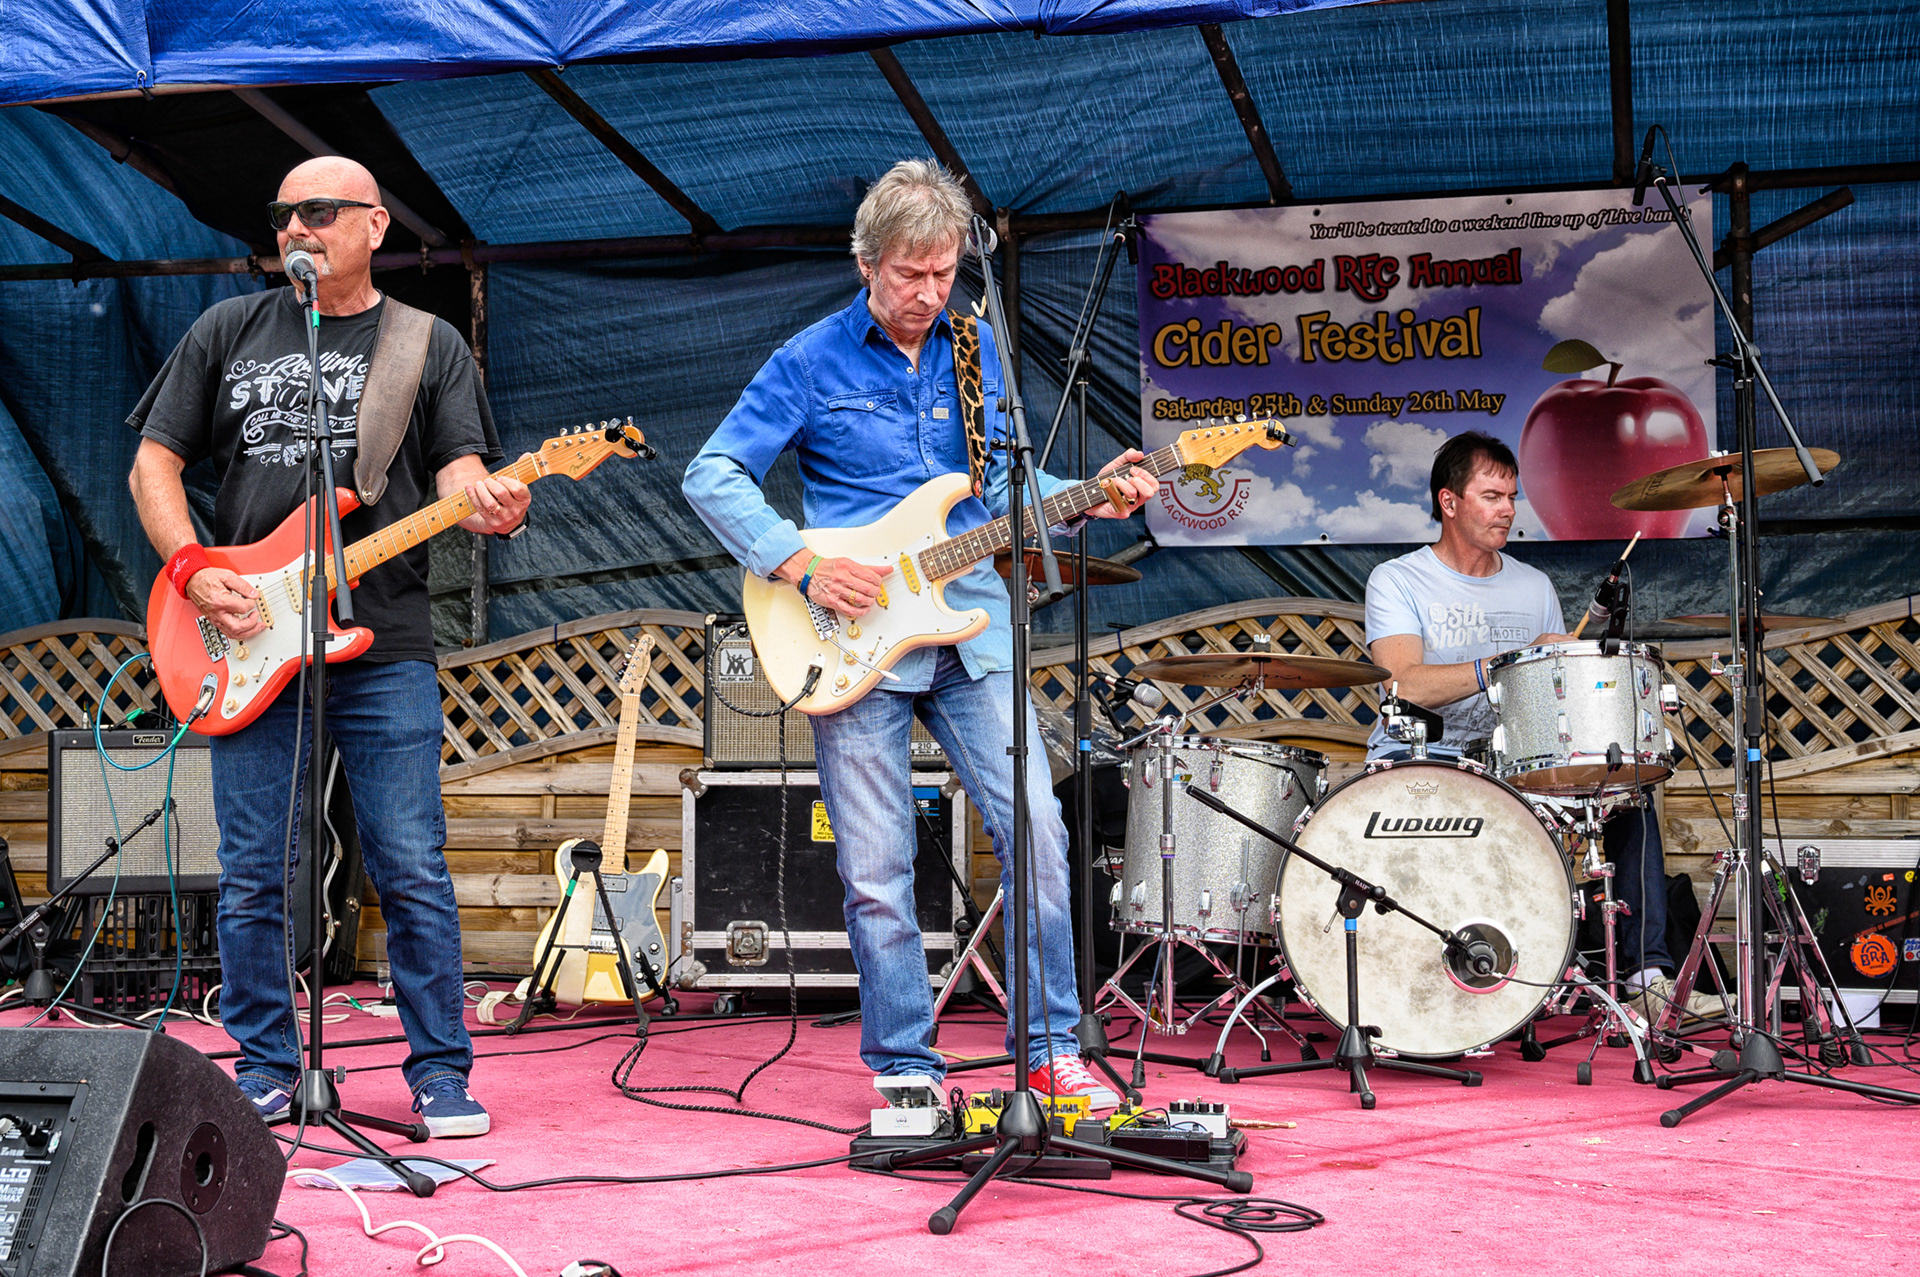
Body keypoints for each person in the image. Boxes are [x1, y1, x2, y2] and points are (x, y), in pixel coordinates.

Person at [683, 160, 1157, 1109]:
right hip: (851, 637)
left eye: (944, 273)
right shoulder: (809, 360)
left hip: (971, 631)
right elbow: (713, 473)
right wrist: (801, 565)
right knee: (876, 869)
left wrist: (1086, 498)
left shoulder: (977, 348)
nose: (930, 292)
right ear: (866, 264)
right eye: (910, 274)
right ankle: (904, 1063)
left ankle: (1050, 1048)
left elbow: (1001, 488)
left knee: (1038, 830)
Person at [126, 156, 530, 1135]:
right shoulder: (227, 327)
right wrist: (191, 568)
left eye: (316, 211)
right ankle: (267, 1064)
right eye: (283, 214)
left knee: (410, 861)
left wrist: (488, 502)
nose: (295, 228)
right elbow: (152, 464)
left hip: (383, 639)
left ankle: (441, 1070)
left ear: (374, 226)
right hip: (245, 634)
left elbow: (457, 471)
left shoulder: (425, 343)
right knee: (254, 867)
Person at [1363, 430, 1723, 1022]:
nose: (1507, 509)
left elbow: (1559, 703)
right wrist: (1506, 661)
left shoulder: (1533, 585)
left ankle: (1647, 977)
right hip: (1426, 757)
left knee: (1627, 792)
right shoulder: (1399, 579)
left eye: (1512, 496)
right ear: (1449, 502)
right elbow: (1403, 684)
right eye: (1491, 496)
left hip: (1513, 764)